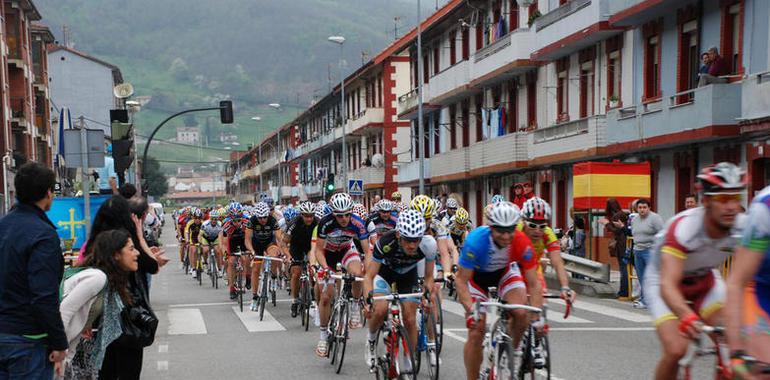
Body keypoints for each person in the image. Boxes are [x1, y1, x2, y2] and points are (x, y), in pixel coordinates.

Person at [645, 162, 746, 380]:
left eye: (736, 198)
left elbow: (751, 276)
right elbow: (668, 284)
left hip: (706, 280)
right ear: (706, 201)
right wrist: (687, 316)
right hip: (663, 282)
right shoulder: (685, 227)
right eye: (722, 199)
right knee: (676, 349)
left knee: (732, 338)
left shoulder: (743, 227)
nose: (731, 207)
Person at [456, 201, 544, 380]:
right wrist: (471, 310)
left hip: (504, 274)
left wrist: (536, 317)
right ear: (491, 228)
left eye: (510, 230)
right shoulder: (475, 242)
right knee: (476, 331)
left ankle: (512, 353)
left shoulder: (521, 241)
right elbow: (461, 281)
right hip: (477, 279)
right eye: (500, 231)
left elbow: (534, 284)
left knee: (521, 313)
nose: (505, 236)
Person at [0, 162, 67, 378]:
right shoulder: (43, 235)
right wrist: (59, 343)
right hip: (27, 340)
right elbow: (44, 296)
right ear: (48, 193)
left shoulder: (3, 226)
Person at [363, 209, 436, 368]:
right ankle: (371, 340)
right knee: (380, 309)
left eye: (416, 240)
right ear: (398, 235)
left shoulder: (428, 244)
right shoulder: (385, 243)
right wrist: (368, 302)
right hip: (385, 275)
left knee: (410, 319)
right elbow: (369, 276)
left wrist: (426, 295)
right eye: (408, 240)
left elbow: (429, 277)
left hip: (408, 276)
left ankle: (409, 360)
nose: (412, 245)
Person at [60, 229, 137, 379]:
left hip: (64, 351)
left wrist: (86, 322)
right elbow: (64, 311)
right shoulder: (98, 278)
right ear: (116, 255)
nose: (137, 253)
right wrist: (58, 349)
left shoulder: (105, 281)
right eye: (131, 249)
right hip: (51, 351)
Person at [313, 192, 369, 357]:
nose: (344, 218)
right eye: (340, 216)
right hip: (327, 255)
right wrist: (325, 268)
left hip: (346, 250)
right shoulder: (326, 223)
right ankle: (323, 336)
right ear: (333, 214)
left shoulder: (358, 223)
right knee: (325, 297)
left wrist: (367, 264)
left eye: (347, 214)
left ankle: (354, 306)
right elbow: (318, 250)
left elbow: (367, 250)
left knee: (358, 273)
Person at [725, 184, 770, 378]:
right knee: (762, 370)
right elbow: (737, 282)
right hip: (761, 293)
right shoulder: (765, 206)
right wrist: (736, 351)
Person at [282, 201, 317, 317]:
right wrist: (288, 256)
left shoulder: (318, 222)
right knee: (296, 272)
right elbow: (284, 243)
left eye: (311, 215)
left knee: (313, 270)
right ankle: (295, 300)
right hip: (296, 246)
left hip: (311, 246)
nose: (309, 218)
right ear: (301, 215)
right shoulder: (294, 223)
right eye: (306, 216)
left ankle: (313, 291)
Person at [245, 202, 282, 310]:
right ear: (256, 216)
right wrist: (251, 251)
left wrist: (281, 249)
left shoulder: (272, 220)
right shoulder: (252, 221)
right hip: (256, 245)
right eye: (260, 218)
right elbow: (247, 239)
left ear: (268, 215)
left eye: (265, 217)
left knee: (274, 255)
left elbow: (279, 237)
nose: (263, 220)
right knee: (256, 270)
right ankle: (255, 297)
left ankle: (274, 276)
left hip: (269, 243)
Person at [629, 199, 664, 310]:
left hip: (650, 251)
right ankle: (645, 299)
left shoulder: (655, 218)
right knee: (641, 277)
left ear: (649, 208)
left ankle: (652, 300)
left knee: (651, 276)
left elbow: (662, 233)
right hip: (637, 250)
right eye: (640, 208)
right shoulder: (634, 220)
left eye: (644, 207)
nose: (642, 210)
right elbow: (633, 233)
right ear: (637, 209)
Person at [604, 198, 630, 299]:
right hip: (624, 244)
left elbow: (617, 230)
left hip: (621, 245)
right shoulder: (623, 214)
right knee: (625, 269)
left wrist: (606, 224)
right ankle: (624, 291)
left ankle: (624, 292)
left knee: (623, 269)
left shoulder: (617, 215)